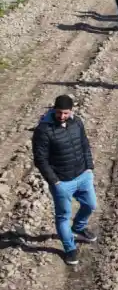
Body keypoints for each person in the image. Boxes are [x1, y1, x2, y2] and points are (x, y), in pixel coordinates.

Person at [32, 94, 98, 266]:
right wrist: (54, 181)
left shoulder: (77, 123)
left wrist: (89, 167)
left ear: (72, 111)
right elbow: (40, 159)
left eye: (66, 113)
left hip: (83, 175)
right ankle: (69, 248)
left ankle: (79, 227)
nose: (62, 116)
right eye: (59, 112)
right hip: (62, 182)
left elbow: (84, 145)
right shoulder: (43, 130)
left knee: (91, 205)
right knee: (63, 217)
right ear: (54, 109)